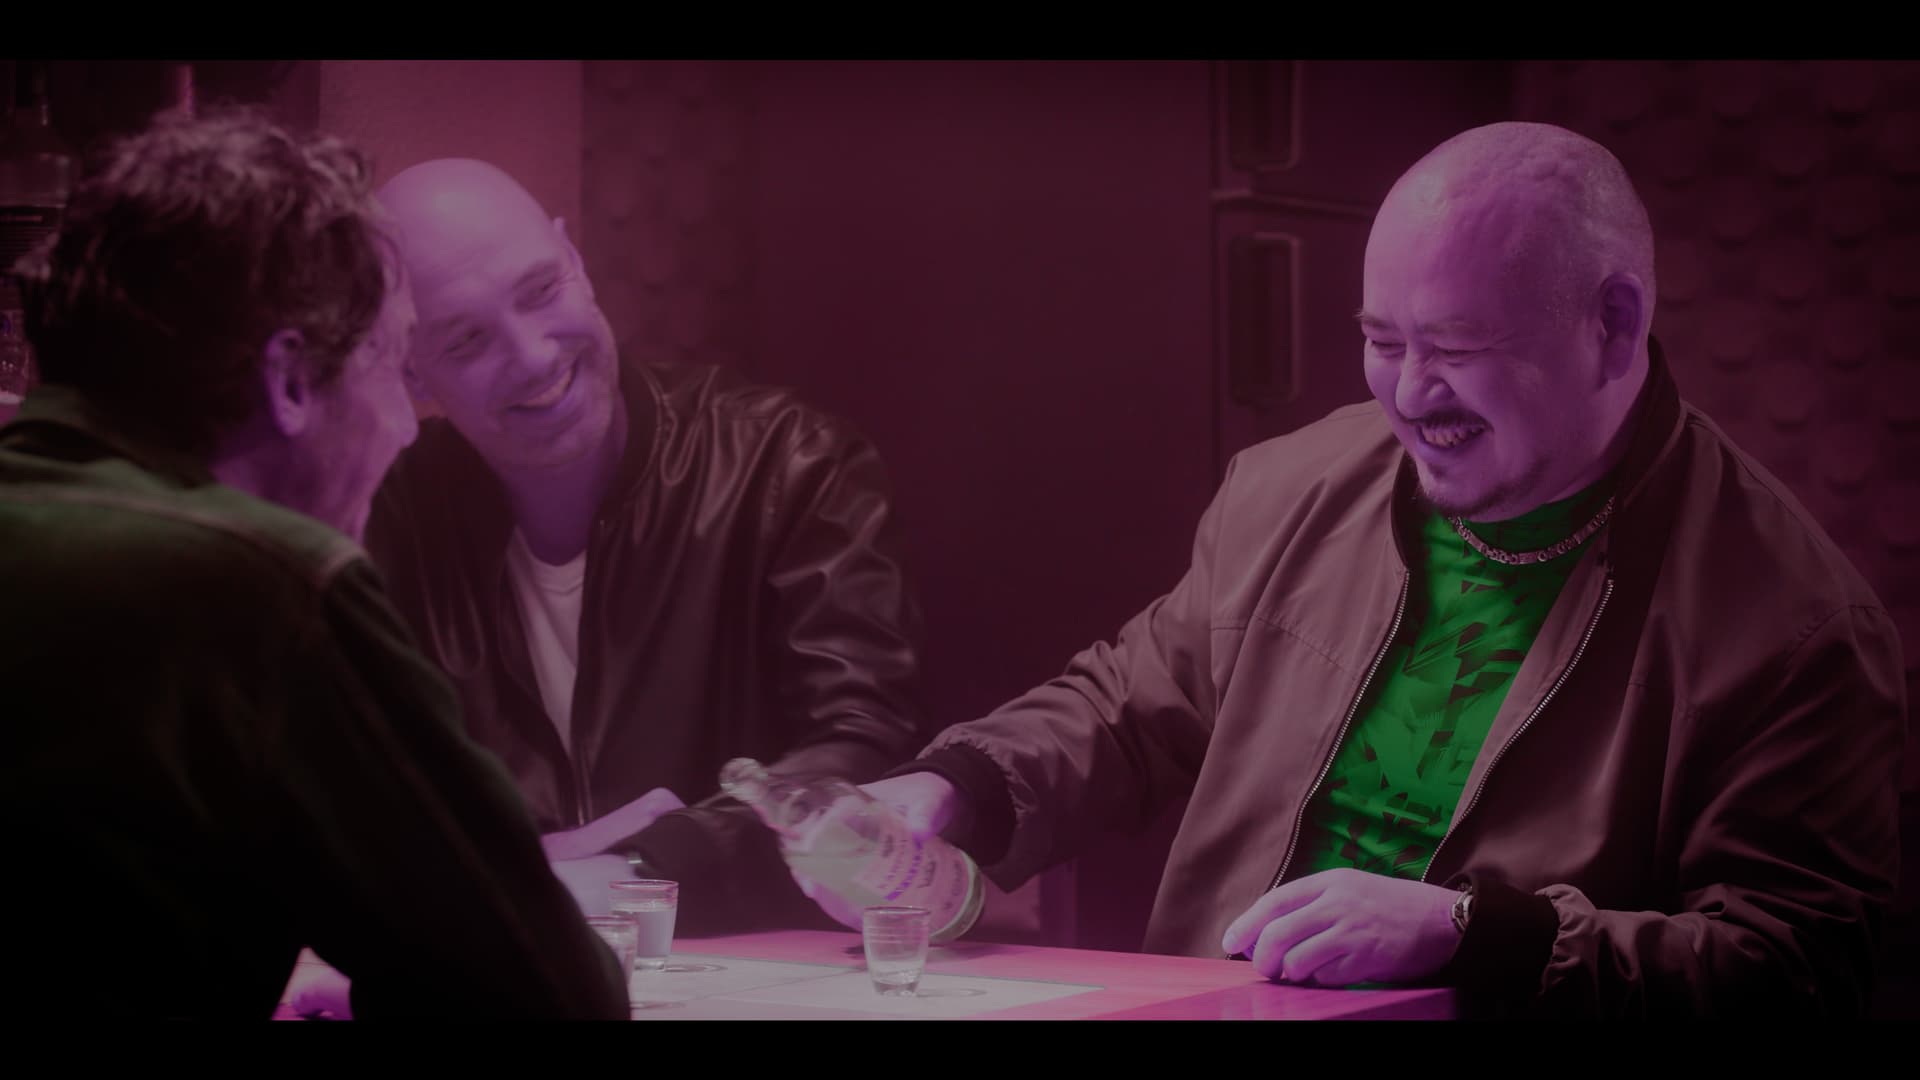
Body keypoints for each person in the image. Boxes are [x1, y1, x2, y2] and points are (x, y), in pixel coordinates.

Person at [843, 121, 1907, 1017]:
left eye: (1455, 347)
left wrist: (1474, 934)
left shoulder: (1795, 626)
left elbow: (1802, 964)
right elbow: (1126, 708)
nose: (1408, 395)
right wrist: (952, 788)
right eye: (1383, 341)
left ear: (1613, 326)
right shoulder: (1290, 486)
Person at [0, 109, 628, 1020]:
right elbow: (548, 995)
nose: (407, 426)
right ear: (291, 380)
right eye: (393, 364)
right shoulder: (266, 588)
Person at [365, 159, 926, 931]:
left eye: (541, 290)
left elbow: (866, 751)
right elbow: (335, 803)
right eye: (466, 340)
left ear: (576, 258)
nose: (533, 355)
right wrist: (540, 866)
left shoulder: (790, 465)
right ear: (408, 367)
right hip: (503, 966)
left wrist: (628, 872)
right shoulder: (388, 518)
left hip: (762, 965)